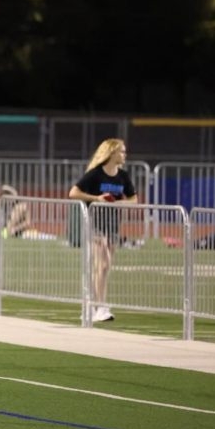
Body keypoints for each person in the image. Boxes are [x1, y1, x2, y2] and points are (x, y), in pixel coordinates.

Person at [69, 138, 137, 323]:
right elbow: (73, 193)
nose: (124, 154)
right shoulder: (95, 174)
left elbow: (134, 199)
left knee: (102, 269)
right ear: (111, 153)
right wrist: (96, 198)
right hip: (95, 224)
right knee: (103, 263)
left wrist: (120, 202)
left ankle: (90, 305)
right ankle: (100, 306)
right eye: (121, 151)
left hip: (113, 225)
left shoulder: (123, 176)